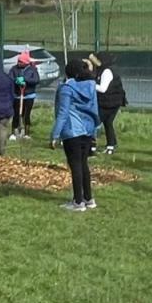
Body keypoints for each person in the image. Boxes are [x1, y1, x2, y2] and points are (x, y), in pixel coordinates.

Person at [51, 60, 100, 212]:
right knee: (83, 164)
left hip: (72, 131)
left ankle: (78, 202)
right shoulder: (91, 87)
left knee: (76, 166)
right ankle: (88, 199)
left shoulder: (66, 89)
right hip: (87, 130)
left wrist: (55, 134)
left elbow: (63, 113)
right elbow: (95, 110)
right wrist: (94, 131)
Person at [88, 52, 127, 155]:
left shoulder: (106, 72)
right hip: (112, 101)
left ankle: (91, 146)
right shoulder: (102, 70)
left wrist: (90, 85)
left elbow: (102, 89)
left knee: (93, 122)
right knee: (108, 123)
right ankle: (111, 145)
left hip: (110, 103)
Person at [8, 50, 40, 140]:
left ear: (26, 63)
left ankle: (26, 133)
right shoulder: (14, 69)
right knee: (16, 114)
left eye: (21, 62)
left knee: (26, 115)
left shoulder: (32, 69)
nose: (18, 63)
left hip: (29, 95)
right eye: (18, 61)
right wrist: (17, 81)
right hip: (17, 95)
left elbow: (36, 80)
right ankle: (14, 132)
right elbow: (10, 78)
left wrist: (25, 80)